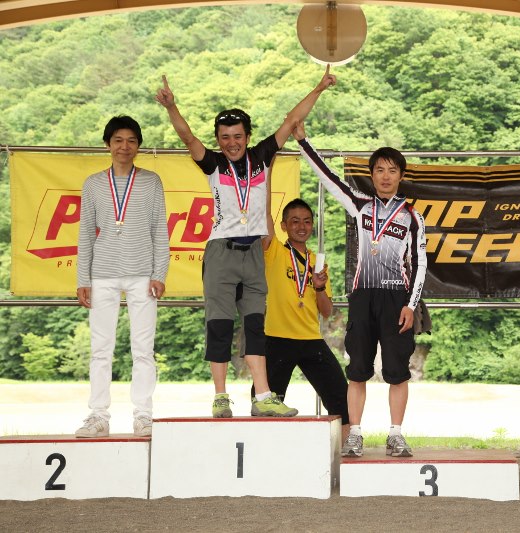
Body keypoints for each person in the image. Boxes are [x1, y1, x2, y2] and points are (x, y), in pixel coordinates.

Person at [155, 67, 336, 418]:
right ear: (218, 139)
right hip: (221, 253)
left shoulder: (262, 156)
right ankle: (220, 396)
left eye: (237, 136)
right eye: (224, 137)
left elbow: (291, 119)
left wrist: (319, 87)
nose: (231, 143)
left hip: (253, 252)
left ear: (247, 136)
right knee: (220, 324)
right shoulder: (212, 164)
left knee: (255, 325)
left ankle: (264, 395)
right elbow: (187, 137)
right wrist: (171, 107)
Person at [293, 121, 427, 458]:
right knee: (357, 371)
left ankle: (396, 435)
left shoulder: (412, 216)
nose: (385, 176)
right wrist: (303, 141)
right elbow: (327, 176)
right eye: (379, 170)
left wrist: (411, 305)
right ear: (371, 174)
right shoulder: (360, 204)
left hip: (397, 298)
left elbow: (420, 263)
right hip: (363, 296)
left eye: (392, 171)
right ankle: (354, 434)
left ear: (401, 176)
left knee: (397, 372)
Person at [75, 115, 170, 438]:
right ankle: (98, 416)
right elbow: (85, 234)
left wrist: (159, 273)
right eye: (118, 140)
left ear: (138, 145)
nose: (124, 146)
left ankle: (143, 415)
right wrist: (83, 279)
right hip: (102, 274)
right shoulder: (93, 184)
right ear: (108, 144)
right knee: (101, 349)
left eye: (131, 141)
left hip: (143, 275)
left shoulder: (151, 181)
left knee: (143, 349)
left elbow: (160, 231)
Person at [249, 197, 349, 436]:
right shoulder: (274, 251)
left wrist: (319, 287)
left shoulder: (317, 262)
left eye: (306, 221)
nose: (301, 226)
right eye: (294, 221)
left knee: (342, 398)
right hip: (277, 338)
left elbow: (326, 311)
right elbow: (265, 217)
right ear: (284, 226)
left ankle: (348, 449)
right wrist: (266, 176)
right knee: (265, 403)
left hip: (311, 339)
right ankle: (260, 449)